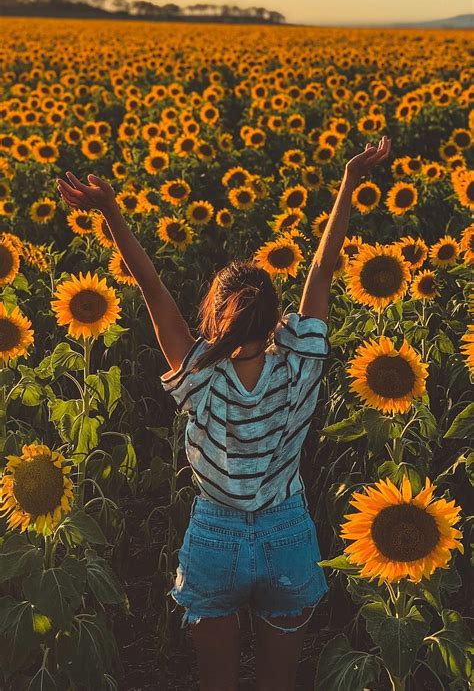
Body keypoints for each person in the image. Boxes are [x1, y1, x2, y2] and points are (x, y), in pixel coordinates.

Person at [57, 135, 391, 691]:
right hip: (288, 534)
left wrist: (111, 210)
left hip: (215, 535)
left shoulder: (201, 375)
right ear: (275, 318)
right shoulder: (299, 366)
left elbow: (152, 289)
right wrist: (350, 180)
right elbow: (324, 267)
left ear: (215, 315)